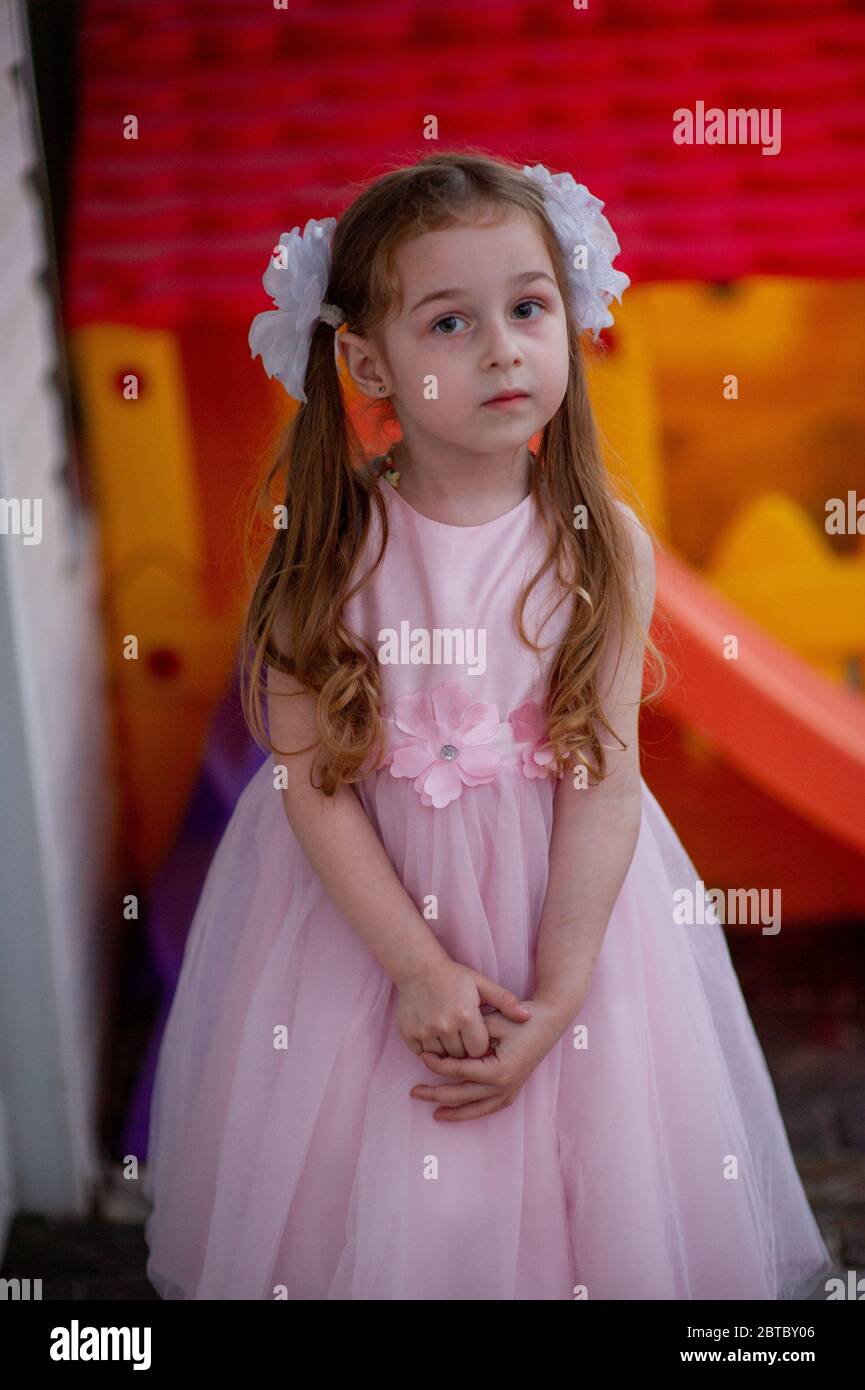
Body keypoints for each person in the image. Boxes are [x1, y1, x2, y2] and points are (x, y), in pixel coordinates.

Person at [143, 151, 833, 1300]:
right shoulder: (325, 554)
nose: (503, 345)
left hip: (559, 923)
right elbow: (309, 783)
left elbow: (605, 780)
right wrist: (415, 966)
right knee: (394, 1181)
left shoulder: (601, 543)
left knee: (580, 1181)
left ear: (570, 315)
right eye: (450, 323)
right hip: (362, 936)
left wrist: (559, 993)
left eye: (526, 307)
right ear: (368, 362)